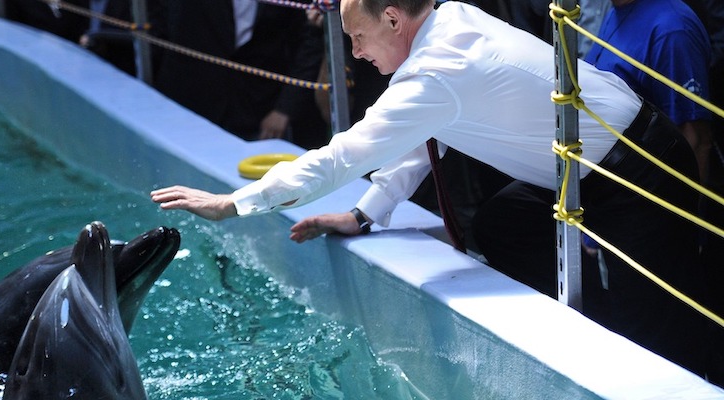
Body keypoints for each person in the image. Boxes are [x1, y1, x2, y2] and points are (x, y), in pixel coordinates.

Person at [151, 0, 707, 377]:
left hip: (642, 170)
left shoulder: (436, 71)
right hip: (583, 167)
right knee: (502, 224)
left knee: (658, 335)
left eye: (357, 36)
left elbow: (344, 153)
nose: (355, 53)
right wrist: (367, 213)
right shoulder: (451, 18)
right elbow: (425, 133)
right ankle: (587, 331)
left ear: (393, 20)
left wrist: (235, 203)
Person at [148, 0, 329, 149]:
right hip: (189, 102)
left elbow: (308, 42)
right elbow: (160, 25)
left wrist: (285, 108)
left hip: (257, 109)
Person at [585, 0, 713, 182]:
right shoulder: (617, 10)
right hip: (605, 184)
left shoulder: (672, 30)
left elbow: (696, 139)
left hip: (643, 195)